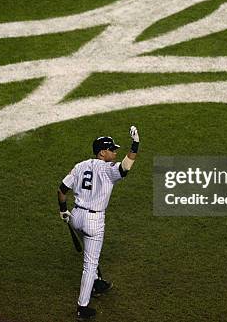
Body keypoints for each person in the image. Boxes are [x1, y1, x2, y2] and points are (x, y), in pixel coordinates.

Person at [57, 126, 140, 320]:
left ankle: (97, 282)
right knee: (90, 264)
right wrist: (135, 144)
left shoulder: (79, 166)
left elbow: (61, 190)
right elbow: (126, 167)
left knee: (89, 252)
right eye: (112, 149)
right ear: (102, 152)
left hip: (76, 216)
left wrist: (62, 210)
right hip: (94, 221)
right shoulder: (108, 169)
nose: (115, 152)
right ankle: (82, 307)